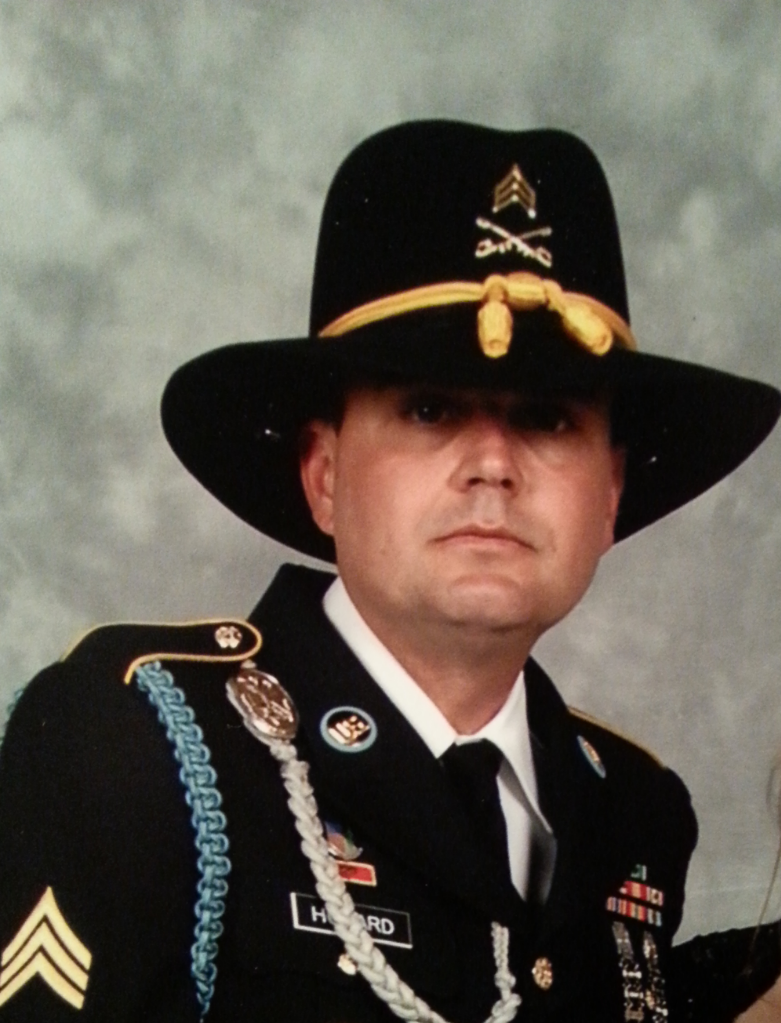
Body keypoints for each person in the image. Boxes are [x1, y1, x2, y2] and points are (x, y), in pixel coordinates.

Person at [0, 121, 779, 1023]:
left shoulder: (634, 815)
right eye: (429, 408)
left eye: (549, 418)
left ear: (608, 494)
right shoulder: (138, 746)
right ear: (324, 474)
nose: (493, 465)